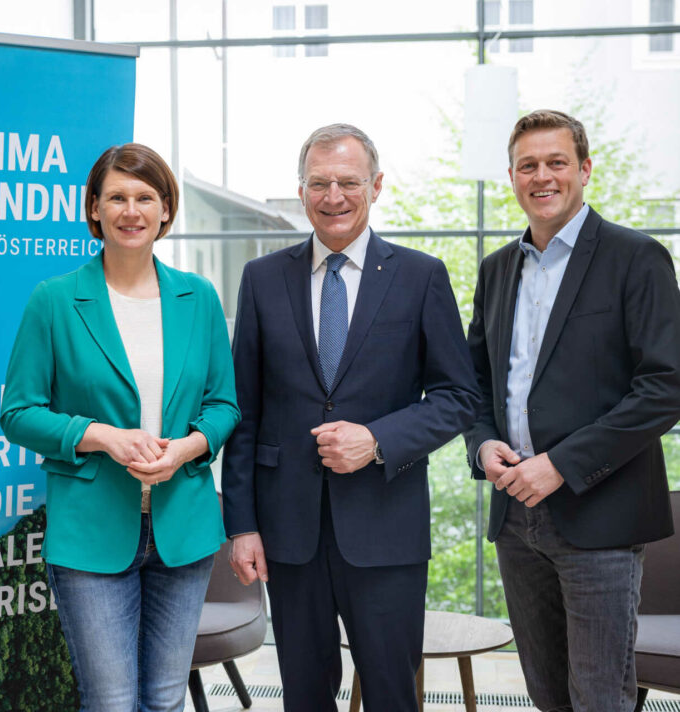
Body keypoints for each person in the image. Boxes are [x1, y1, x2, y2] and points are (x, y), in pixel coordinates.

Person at [221, 123, 479, 711]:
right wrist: (242, 525)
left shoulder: (421, 276)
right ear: (301, 189)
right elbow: (244, 412)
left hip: (386, 530)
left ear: (376, 185)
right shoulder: (263, 279)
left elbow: (458, 396)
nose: (332, 196)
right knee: (304, 697)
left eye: (347, 182)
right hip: (289, 533)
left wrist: (378, 439)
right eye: (319, 183)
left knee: (392, 693)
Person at [0, 143, 239, 712]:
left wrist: (185, 448)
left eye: (145, 197)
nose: (131, 210)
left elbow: (224, 405)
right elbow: (18, 413)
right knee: (109, 701)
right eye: (117, 197)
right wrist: (103, 436)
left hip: (183, 531)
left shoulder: (198, 297)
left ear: (164, 210)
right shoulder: (55, 300)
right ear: (95, 209)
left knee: (163, 700)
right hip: (91, 533)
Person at [465, 109, 680, 711]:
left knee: (600, 698)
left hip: (601, 517)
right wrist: (483, 446)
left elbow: (666, 385)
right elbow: (474, 382)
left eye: (556, 162)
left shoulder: (636, 258)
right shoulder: (497, 269)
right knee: (547, 695)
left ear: (584, 170)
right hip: (515, 516)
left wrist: (561, 463)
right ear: (511, 176)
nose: (542, 176)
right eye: (527, 165)